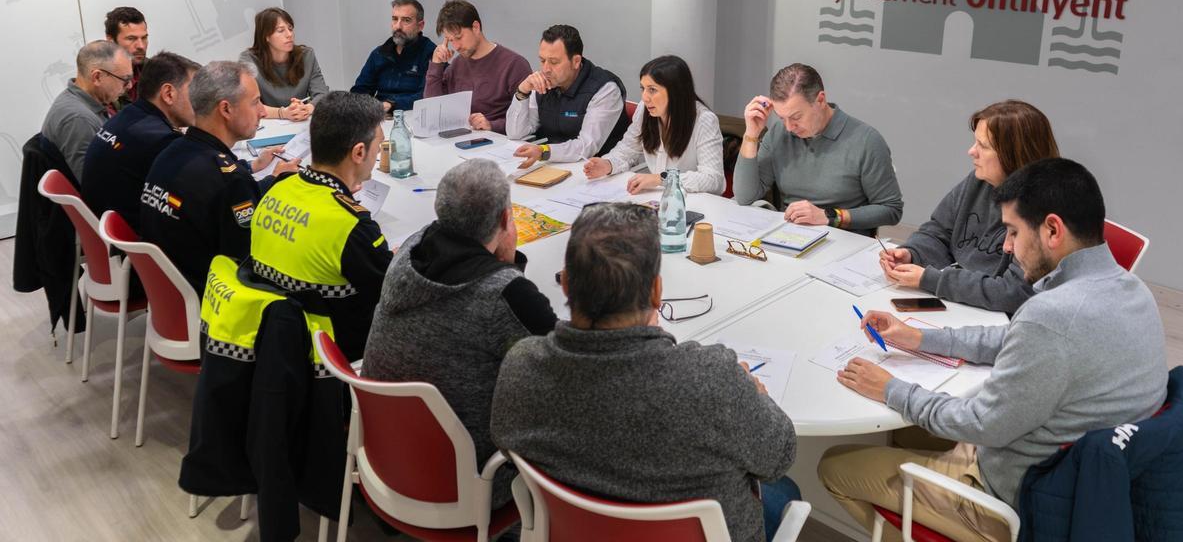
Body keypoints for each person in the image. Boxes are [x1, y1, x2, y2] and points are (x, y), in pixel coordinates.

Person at [820, 158, 1168, 542]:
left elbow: (982, 424)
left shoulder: (1050, 316)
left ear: (1053, 229)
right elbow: (1015, 339)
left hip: (1015, 499)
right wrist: (919, 338)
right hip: (1082, 482)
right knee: (906, 431)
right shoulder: (1132, 291)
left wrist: (890, 388)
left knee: (836, 465)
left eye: (1013, 232)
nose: (1006, 246)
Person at [492, 203, 801, 542]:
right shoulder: (711, 380)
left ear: (565, 284)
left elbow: (508, 444)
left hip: (573, 530)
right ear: (657, 291)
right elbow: (779, 456)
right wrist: (753, 393)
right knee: (784, 492)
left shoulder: (522, 365)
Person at [362, 159, 557, 511]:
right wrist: (509, 264)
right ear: (504, 220)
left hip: (384, 453)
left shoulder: (410, 249)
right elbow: (563, 364)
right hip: (465, 482)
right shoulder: (504, 294)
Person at [249, 91, 392, 361]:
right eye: (378, 147)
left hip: (276, 343)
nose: (377, 154)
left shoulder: (277, 189)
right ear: (359, 152)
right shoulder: (352, 225)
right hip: (336, 355)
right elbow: (392, 291)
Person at [880, 100, 1060, 314]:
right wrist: (913, 253)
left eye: (983, 146)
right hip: (963, 303)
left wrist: (931, 280)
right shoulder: (979, 181)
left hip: (1004, 321)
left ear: (1013, 154)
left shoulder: (1044, 209)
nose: (971, 152)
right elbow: (937, 231)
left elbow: (1014, 292)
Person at [140, 61, 298, 295]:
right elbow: (248, 261)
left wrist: (273, 179)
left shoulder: (171, 151)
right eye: (255, 102)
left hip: (167, 291)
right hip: (213, 302)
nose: (263, 112)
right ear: (226, 109)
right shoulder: (228, 179)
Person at [733, 63, 902, 234]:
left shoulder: (866, 141)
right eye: (782, 118)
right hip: (790, 235)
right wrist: (751, 134)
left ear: (820, 100)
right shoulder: (779, 133)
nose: (789, 127)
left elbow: (891, 210)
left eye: (796, 117)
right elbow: (745, 196)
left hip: (844, 240)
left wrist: (828, 216)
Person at [82, 51, 200, 235]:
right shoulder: (159, 141)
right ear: (168, 94)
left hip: (112, 230)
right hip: (142, 243)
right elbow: (202, 194)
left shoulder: (130, 116)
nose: (200, 102)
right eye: (194, 92)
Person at [582, 54, 724, 194]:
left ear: (676, 91)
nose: (644, 97)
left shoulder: (704, 120)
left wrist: (661, 179)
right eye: (643, 89)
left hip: (693, 201)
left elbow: (713, 179)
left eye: (652, 90)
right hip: (656, 197)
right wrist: (608, 164)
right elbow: (626, 150)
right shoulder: (644, 109)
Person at [505, 24, 630, 167]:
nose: (546, 69)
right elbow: (516, 135)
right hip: (553, 164)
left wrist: (544, 151)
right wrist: (522, 91)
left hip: (596, 170)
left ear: (576, 61)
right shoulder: (544, 82)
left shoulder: (605, 89)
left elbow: (586, 147)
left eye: (554, 62)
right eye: (542, 60)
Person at [423, 0, 530, 133]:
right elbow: (432, 109)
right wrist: (436, 65)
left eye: (459, 37)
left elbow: (529, 120)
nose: (456, 46)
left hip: (499, 142)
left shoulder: (514, 64)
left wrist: (492, 125)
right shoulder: (457, 65)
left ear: (475, 27)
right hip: (464, 139)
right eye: (450, 40)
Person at [41, 41, 132, 183]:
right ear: (97, 77)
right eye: (125, 80)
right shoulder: (78, 119)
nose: (130, 86)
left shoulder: (87, 102)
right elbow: (95, 186)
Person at [240, 7, 329, 120]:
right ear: (266, 36)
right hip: (266, 126)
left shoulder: (306, 55)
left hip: (300, 124)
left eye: (290, 28)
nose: (289, 34)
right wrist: (283, 113)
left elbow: (323, 94)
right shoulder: (249, 60)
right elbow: (247, 104)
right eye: (281, 30)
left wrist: (307, 108)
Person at [351, 0, 437, 112]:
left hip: (413, 116)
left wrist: (391, 105)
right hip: (379, 116)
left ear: (420, 26)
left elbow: (428, 95)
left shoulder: (431, 53)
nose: (398, 26)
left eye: (406, 20)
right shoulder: (379, 54)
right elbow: (360, 92)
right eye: (394, 19)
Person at [104, 6, 149, 105]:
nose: (141, 46)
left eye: (144, 38)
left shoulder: (156, 71)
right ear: (111, 40)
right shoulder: (100, 81)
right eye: (131, 38)